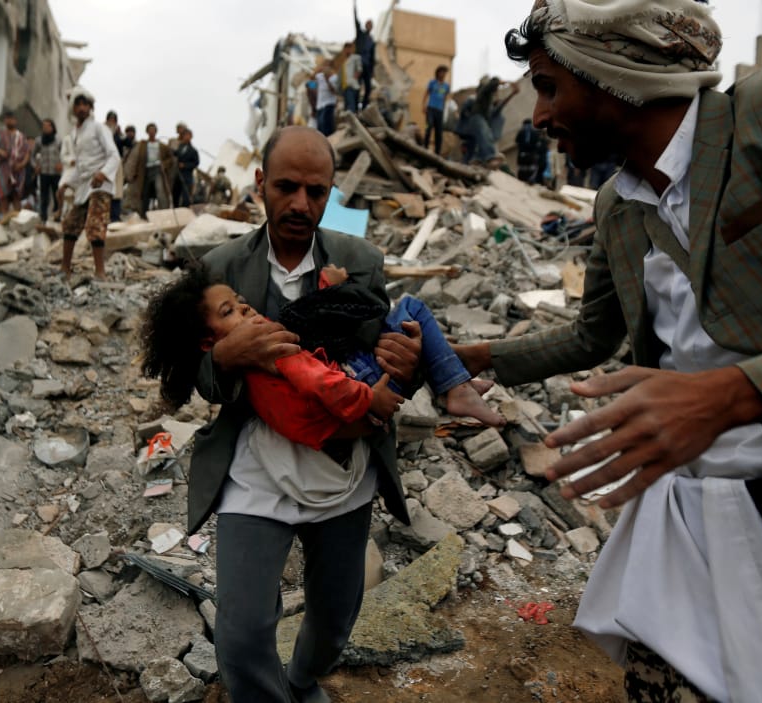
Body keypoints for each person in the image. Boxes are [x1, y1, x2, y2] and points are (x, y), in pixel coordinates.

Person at [453, 3, 762, 701]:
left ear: (605, 71)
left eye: (548, 86)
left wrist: (733, 394)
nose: (538, 116)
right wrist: (476, 354)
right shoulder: (616, 206)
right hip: (677, 533)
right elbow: (591, 337)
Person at [185, 126, 424, 702]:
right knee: (240, 636)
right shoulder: (218, 268)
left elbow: (383, 360)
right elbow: (194, 378)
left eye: (316, 192)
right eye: (287, 187)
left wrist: (407, 359)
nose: (300, 204)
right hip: (256, 470)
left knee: (336, 619)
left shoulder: (361, 261)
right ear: (260, 183)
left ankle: (302, 679)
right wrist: (224, 357)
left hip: (342, 469)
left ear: (331, 192)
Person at [143, 264, 501, 445]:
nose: (245, 308)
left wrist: (333, 289)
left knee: (406, 339)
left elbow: (318, 317)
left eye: (240, 302)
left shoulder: (261, 348)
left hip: (347, 403)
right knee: (412, 307)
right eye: (230, 310)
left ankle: (456, 375)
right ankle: (457, 386)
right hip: (353, 393)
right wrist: (368, 400)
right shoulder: (266, 348)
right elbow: (319, 379)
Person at [58, 89, 120, 280]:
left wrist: (102, 173)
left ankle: (100, 272)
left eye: (86, 104)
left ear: (91, 107)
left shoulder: (99, 128)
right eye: (78, 104)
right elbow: (80, 166)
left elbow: (114, 155)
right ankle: (65, 268)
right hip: (84, 185)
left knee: (95, 225)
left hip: (101, 184)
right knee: (70, 224)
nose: (82, 108)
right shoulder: (75, 134)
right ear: (73, 108)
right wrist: (65, 184)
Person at [124, 123, 174, 217]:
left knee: (160, 191)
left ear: (156, 131)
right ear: (147, 132)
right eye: (149, 130)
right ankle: (144, 214)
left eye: (153, 130)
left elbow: (170, 158)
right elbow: (134, 157)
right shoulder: (142, 145)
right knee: (144, 192)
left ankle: (164, 213)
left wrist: (164, 164)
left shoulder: (162, 146)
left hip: (157, 169)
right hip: (145, 170)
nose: (151, 132)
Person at [0, 111, 31, 214]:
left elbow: (27, 153)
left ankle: (18, 220)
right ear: (5, 120)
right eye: (7, 118)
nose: (9, 121)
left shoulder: (21, 136)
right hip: (3, 169)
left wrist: (22, 164)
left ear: (15, 121)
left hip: (18, 170)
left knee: (16, 196)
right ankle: (5, 218)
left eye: (11, 119)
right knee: (3, 195)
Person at [31, 119, 62, 222]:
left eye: (48, 126)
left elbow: (65, 154)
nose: (46, 128)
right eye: (44, 126)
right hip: (44, 173)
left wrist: (61, 164)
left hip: (56, 174)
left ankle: (57, 217)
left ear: (52, 127)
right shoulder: (39, 140)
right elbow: (32, 156)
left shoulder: (58, 140)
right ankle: (43, 219)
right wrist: (35, 165)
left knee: (57, 196)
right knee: (44, 197)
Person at [352, 0, 376, 109]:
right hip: (359, 64)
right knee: (357, 85)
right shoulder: (360, 34)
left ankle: (364, 106)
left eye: (371, 24)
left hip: (367, 66)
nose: (369, 26)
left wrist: (372, 72)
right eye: (368, 24)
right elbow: (356, 21)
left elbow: (373, 57)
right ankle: (356, 106)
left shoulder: (372, 40)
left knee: (368, 88)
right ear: (366, 25)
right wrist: (354, 6)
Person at [423, 65, 450, 155]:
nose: (442, 74)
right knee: (428, 126)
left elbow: (445, 99)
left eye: (444, 72)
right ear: (437, 73)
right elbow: (426, 94)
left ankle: (437, 152)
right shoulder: (432, 83)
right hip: (431, 108)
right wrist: (424, 105)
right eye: (441, 72)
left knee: (439, 132)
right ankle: (425, 147)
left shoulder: (446, 86)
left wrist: (444, 111)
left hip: (440, 111)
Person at [174, 128, 200, 208]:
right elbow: (176, 154)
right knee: (175, 194)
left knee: (186, 196)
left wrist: (185, 165)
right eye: (185, 135)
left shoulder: (193, 150)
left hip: (187, 176)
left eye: (188, 135)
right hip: (177, 174)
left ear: (191, 137)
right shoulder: (180, 147)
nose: (186, 137)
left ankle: (185, 209)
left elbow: (196, 163)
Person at [313, 63, 340, 136]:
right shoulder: (319, 76)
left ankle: (328, 138)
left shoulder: (334, 78)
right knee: (320, 125)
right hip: (320, 105)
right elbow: (314, 81)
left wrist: (327, 80)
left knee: (326, 124)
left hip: (329, 103)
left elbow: (334, 91)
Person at [515, 118, 542, 183]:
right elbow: (537, 145)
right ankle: (530, 181)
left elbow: (517, 142)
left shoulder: (521, 132)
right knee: (531, 169)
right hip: (531, 155)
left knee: (522, 169)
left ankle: (522, 181)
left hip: (522, 154)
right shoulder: (535, 132)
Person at [341, 42, 362, 114]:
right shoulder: (344, 60)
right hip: (345, 86)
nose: (347, 50)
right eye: (346, 49)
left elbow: (359, 70)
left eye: (349, 48)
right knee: (347, 107)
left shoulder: (355, 57)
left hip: (351, 85)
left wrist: (353, 79)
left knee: (351, 107)